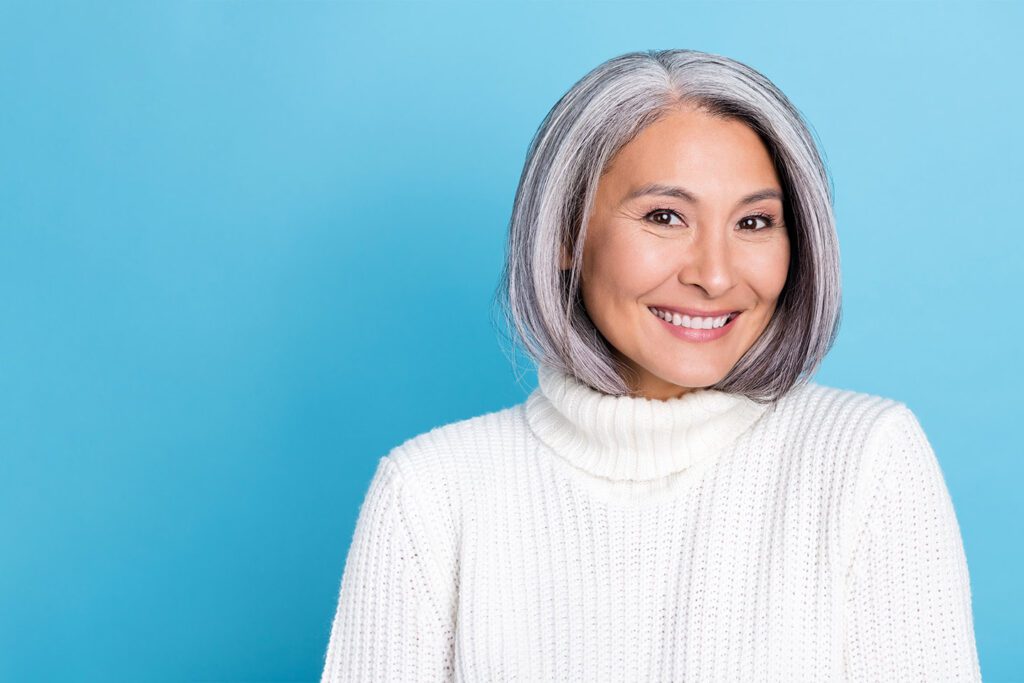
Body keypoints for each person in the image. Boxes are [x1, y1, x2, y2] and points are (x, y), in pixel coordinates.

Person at [320, 49, 982, 681]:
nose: (715, 275)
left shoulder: (866, 460)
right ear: (563, 236)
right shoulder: (431, 495)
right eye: (666, 216)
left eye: (754, 223)